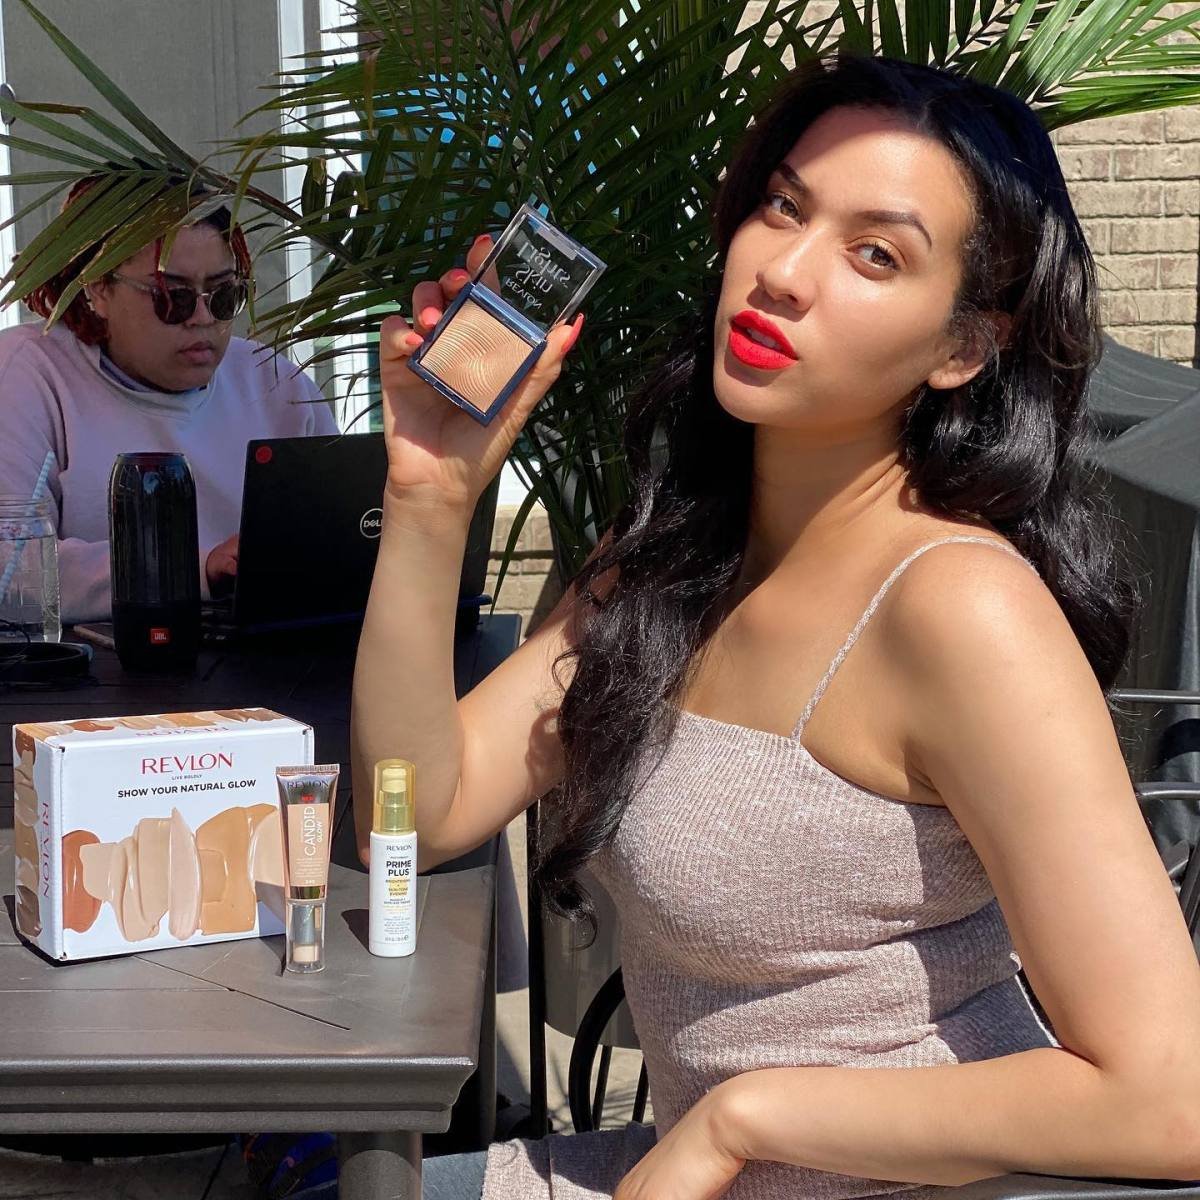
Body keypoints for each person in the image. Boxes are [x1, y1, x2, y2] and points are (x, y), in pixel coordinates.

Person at [348, 54, 1200, 1200]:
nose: (783, 274)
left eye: (876, 254)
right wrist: (431, 496)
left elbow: (1172, 1098)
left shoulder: (961, 608)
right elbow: (412, 813)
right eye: (785, 207)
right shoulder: (677, 559)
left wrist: (742, 1118)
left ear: (964, 347)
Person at [0, 177, 337, 624]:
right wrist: (200, 569)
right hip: (99, 663)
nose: (202, 318)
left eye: (224, 295)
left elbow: (345, 534)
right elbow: (12, 571)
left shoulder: (273, 380)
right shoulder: (28, 373)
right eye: (171, 297)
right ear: (97, 288)